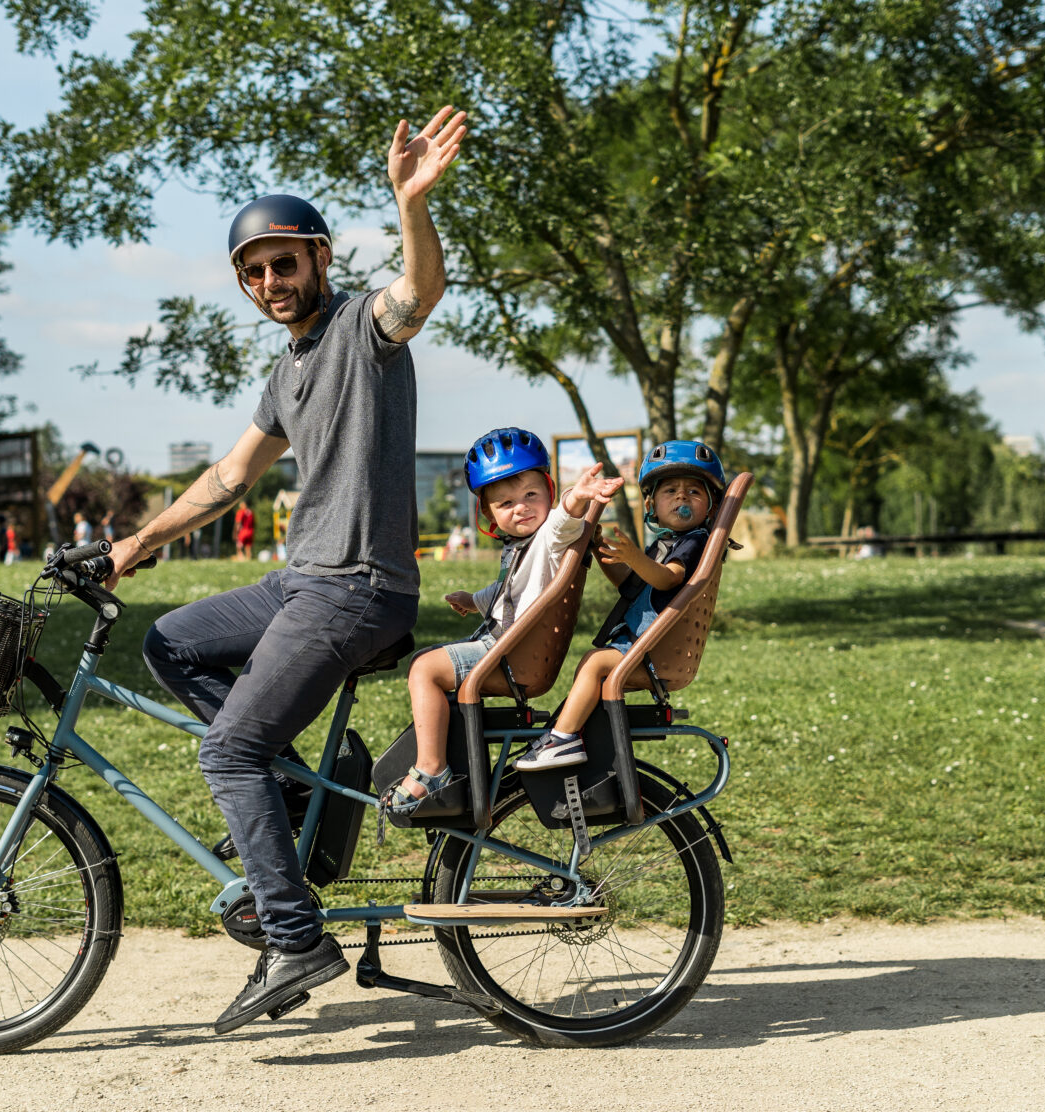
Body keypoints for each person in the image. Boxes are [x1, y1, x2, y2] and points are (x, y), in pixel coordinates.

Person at [102, 105, 466, 1035]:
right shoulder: (287, 370)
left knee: (228, 749)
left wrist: (411, 204)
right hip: (299, 581)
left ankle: (296, 936)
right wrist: (130, 548)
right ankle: (301, 790)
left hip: (360, 587)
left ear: (319, 259)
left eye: (284, 261)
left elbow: (417, 293)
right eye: (254, 271)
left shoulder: (361, 333)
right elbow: (229, 476)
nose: (271, 280)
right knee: (172, 642)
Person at [381, 429, 620, 814]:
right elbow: (512, 590)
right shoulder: (524, 549)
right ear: (489, 514)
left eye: (530, 495)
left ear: (549, 491)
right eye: (506, 502)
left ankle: (431, 770)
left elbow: (563, 523)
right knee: (431, 663)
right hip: (512, 651)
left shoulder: (549, 539)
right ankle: (452, 766)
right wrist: (474, 601)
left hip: (509, 655)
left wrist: (576, 498)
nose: (521, 507)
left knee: (423, 669)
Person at [516, 441, 726, 771]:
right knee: (592, 662)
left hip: (656, 651)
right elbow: (629, 585)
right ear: (651, 504)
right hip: (645, 646)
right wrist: (601, 548)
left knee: (596, 664)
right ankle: (573, 735)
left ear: (711, 508)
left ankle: (563, 738)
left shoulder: (694, 541)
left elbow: (669, 579)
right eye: (670, 490)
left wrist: (635, 557)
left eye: (694, 492)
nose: (682, 497)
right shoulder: (666, 543)